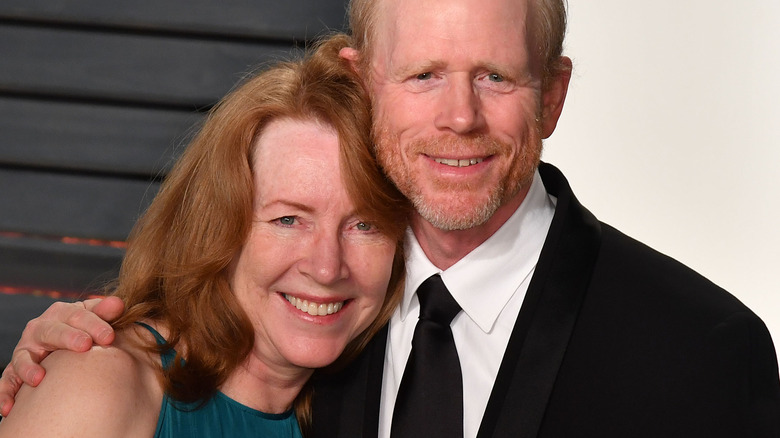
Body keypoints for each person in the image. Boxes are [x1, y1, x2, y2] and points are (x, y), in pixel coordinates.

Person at [3, 0, 780, 436]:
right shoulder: (322, 335)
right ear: (364, 80)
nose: (459, 117)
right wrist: (76, 368)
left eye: (495, 76)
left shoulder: (701, 352)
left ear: (553, 92)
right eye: (423, 74)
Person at [0, 34, 410, 437]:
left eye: (364, 225)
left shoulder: (373, 398)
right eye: (288, 220)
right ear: (219, 228)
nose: (326, 267)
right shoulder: (101, 382)